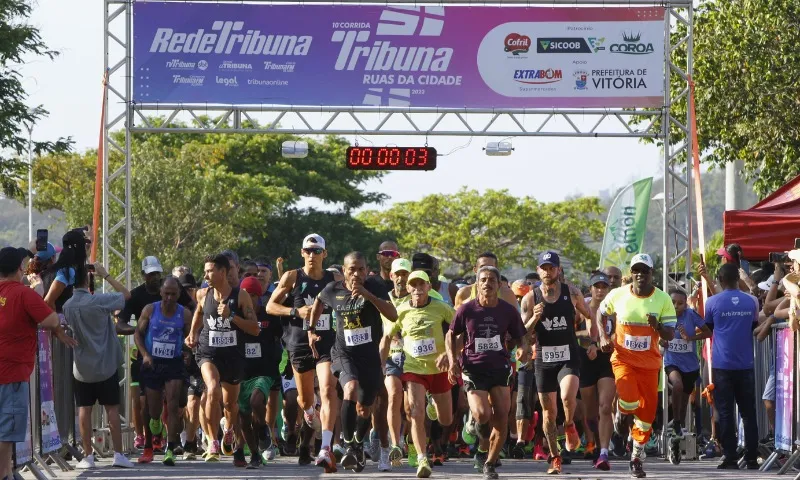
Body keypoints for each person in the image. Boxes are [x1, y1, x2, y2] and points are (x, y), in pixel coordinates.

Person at [311, 252, 398, 473]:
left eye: (361, 269)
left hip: (369, 357)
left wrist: (369, 296)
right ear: (344, 270)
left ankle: (358, 443)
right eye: (352, 269)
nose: (356, 274)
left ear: (366, 269)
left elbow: (393, 315)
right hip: (343, 353)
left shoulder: (375, 286)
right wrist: (311, 331)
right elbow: (318, 303)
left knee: (365, 408)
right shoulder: (333, 289)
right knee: (349, 389)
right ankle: (349, 445)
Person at [446, 266, 530, 480]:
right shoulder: (466, 310)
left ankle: (490, 463)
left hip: (499, 367)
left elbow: (521, 335)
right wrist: (451, 360)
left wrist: (522, 348)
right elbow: (451, 334)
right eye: (483, 280)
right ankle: (474, 422)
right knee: (483, 414)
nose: (487, 283)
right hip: (473, 368)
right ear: (477, 284)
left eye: (492, 280)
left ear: (499, 284)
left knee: (502, 415)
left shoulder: (508, 310)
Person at [597, 253, 676, 478]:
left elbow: (669, 334)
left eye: (645, 271)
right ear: (631, 273)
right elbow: (600, 313)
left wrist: (658, 325)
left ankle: (636, 458)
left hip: (650, 364)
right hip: (623, 359)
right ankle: (622, 413)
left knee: (646, 415)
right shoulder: (618, 295)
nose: (640, 275)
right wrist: (603, 336)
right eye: (636, 270)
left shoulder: (663, 299)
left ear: (652, 274)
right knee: (629, 399)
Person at [266, 234, 339, 468]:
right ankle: (309, 412)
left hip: (326, 342)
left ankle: (326, 447)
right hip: (298, 345)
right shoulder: (292, 276)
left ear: (324, 254)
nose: (312, 255)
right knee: (306, 400)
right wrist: (297, 312)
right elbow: (270, 306)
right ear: (302, 253)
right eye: (308, 250)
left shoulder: (334, 278)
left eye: (316, 251)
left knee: (328, 389)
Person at [0, 246, 72, 480]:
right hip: (12, 374)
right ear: (20, 268)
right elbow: (51, 319)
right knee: (7, 431)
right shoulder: (23, 293)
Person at [521, 251, 592, 475]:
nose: (548, 272)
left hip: (568, 355)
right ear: (539, 269)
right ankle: (555, 457)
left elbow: (589, 315)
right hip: (544, 358)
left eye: (552, 268)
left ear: (558, 270)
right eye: (544, 268)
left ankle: (570, 423)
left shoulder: (571, 293)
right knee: (548, 412)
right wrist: (534, 317)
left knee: (567, 396)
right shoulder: (530, 298)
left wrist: (592, 339)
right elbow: (522, 333)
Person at [185, 253, 260, 465]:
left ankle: (228, 429)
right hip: (208, 353)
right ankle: (212, 441)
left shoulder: (241, 296)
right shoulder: (202, 294)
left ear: (223, 272)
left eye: (210, 271)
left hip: (233, 356)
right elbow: (199, 313)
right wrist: (193, 333)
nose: (206, 275)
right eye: (205, 270)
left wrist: (231, 316)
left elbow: (254, 329)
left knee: (230, 404)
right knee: (211, 388)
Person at [63, 259, 135, 470]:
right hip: (106, 364)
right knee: (111, 409)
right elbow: (126, 295)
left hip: (82, 367)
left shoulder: (68, 306)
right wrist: (106, 275)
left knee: (84, 409)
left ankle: (88, 455)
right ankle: (118, 455)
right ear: (88, 280)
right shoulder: (100, 301)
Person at [388, 270, 455, 478]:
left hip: (438, 368)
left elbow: (460, 331)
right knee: (415, 413)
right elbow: (388, 336)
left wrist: (448, 355)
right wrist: (381, 359)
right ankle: (422, 458)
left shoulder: (442, 308)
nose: (417, 289)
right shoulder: (401, 310)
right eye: (413, 285)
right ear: (408, 288)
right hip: (413, 368)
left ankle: (433, 407)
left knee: (445, 420)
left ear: (428, 287)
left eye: (421, 285)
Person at [705, 263, 760, 469]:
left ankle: (730, 457)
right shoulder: (752, 301)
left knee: (726, 412)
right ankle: (752, 457)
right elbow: (753, 326)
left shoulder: (712, 302)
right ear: (738, 279)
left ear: (719, 279)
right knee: (748, 412)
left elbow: (709, 328)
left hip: (722, 365)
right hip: (745, 364)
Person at [134, 277, 193, 466]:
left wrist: (187, 351)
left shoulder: (184, 314)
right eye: (166, 293)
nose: (169, 297)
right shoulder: (150, 310)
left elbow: (189, 338)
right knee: (153, 410)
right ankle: (149, 445)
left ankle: (170, 448)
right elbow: (138, 334)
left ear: (178, 294)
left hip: (174, 364)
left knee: (174, 405)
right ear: (160, 292)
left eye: (173, 294)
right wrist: (145, 355)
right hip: (153, 363)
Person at [237, 277, 283, 468]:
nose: (251, 299)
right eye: (247, 295)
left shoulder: (268, 315)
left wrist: (282, 364)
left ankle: (264, 428)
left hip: (264, 371)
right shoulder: (235, 316)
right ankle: (255, 454)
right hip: (241, 373)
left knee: (257, 402)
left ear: (260, 296)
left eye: (254, 295)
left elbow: (281, 336)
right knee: (245, 417)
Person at [662, 288, 711, 464]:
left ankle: (676, 436)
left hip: (690, 366)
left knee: (683, 407)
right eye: (673, 302)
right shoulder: (664, 314)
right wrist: (662, 340)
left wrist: (690, 337)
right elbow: (657, 333)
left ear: (685, 303)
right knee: (677, 385)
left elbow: (707, 332)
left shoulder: (691, 315)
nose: (676, 306)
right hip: (672, 362)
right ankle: (675, 425)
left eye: (680, 303)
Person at [576, 272, 617, 470]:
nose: (600, 290)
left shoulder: (615, 309)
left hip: (607, 362)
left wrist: (602, 344)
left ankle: (603, 452)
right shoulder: (582, 308)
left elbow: (618, 334)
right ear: (590, 289)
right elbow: (571, 333)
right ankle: (591, 439)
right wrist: (590, 341)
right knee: (590, 412)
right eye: (597, 286)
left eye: (604, 287)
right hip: (585, 362)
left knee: (605, 407)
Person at [381, 258, 411, 467]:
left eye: (405, 274)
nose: (401, 278)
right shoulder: (383, 300)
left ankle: (410, 441)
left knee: (410, 408)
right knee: (393, 394)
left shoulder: (418, 299)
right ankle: (395, 444)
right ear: (391, 276)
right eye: (398, 274)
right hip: (390, 356)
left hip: (414, 357)